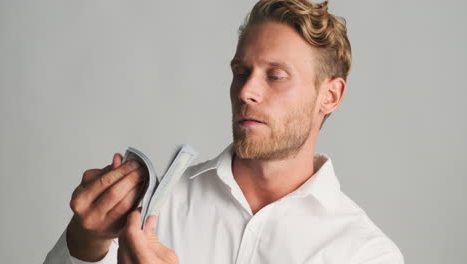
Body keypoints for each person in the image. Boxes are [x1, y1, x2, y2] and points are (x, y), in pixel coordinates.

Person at [44, 0, 404, 263]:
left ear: (330, 95)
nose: (247, 91)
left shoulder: (364, 253)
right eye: (240, 72)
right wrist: (86, 242)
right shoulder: (156, 205)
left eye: (275, 76)